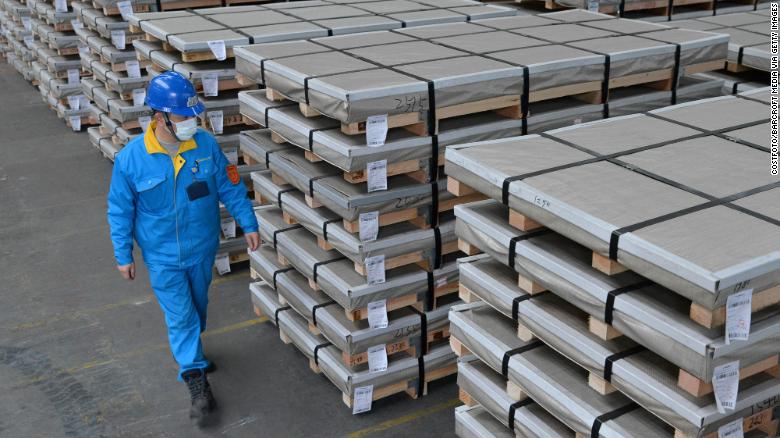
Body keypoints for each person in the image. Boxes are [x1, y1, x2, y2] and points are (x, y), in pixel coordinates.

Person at [107, 71, 259, 426]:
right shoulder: (132, 160)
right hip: (162, 257)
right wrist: (122, 254)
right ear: (159, 117)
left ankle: (195, 353)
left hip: (203, 248)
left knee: (198, 305)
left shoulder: (205, 146)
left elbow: (230, 185)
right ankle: (194, 378)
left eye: (194, 114)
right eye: (183, 116)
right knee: (181, 315)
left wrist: (248, 222)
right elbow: (119, 210)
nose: (192, 121)